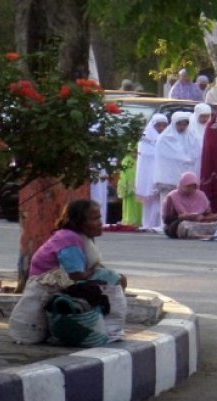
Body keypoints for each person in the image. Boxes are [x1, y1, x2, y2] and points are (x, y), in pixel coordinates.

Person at [10, 200, 127, 344]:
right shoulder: (69, 239)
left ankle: (106, 326)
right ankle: (110, 330)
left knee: (113, 277)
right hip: (49, 287)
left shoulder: (77, 237)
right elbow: (76, 274)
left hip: (61, 284)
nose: (99, 223)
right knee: (112, 278)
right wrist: (96, 271)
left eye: (99, 218)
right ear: (79, 221)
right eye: (94, 218)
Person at [162, 172, 217, 239]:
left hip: (199, 223)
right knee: (183, 225)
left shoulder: (201, 195)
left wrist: (207, 217)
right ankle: (199, 234)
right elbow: (167, 220)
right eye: (188, 186)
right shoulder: (172, 196)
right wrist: (182, 217)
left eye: (193, 186)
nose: (191, 189)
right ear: (182, 184)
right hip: (179, 223)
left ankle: (206, 232)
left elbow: (207, 213)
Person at [136, 114, 168, 231]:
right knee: (149, 201)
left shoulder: (167, 138)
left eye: (164, 125)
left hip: (162, 174)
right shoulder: (145, 137)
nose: (161, 128)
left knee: (161, 200)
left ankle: (160, 224)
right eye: (158, 125)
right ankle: (147, 224)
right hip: (148, 173)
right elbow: (144, 154)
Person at [116, 144, 143, 227]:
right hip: (129, 187)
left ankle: (139, 221)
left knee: (140, 204)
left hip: (139, 186)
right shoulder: (126, 160)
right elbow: (123, 174)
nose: (135, 153)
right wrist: (125, 185)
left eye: (136, 151)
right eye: (133, 151)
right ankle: (129, 221)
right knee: (130, 205)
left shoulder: (140, 160)